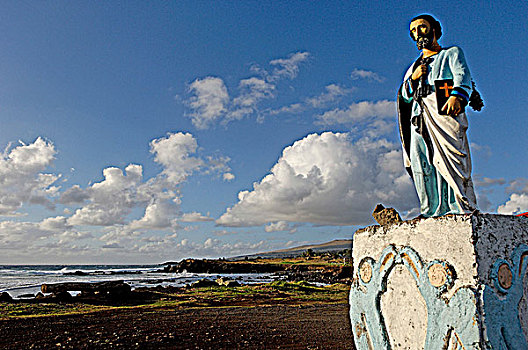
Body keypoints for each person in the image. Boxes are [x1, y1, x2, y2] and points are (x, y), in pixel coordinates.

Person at [397, 14, 478, 217]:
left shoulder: (451, 53)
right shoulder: (413, 68)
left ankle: (456, 206)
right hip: (419, 117)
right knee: (421, 162)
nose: (418, 34)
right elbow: (404, 97)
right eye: (413, 31)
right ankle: (429, 209)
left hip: (443, 114)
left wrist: (457, 95)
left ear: (434, 29)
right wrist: (412, 80)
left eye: (422, 27)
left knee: (449, 160)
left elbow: (462, 75)